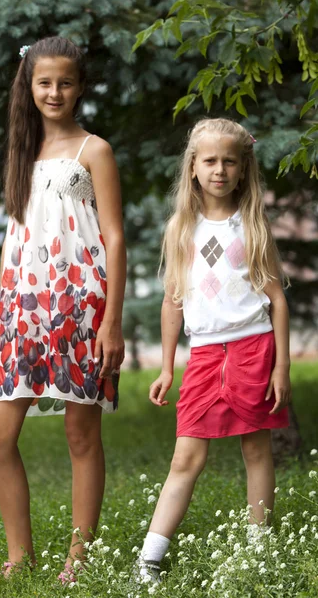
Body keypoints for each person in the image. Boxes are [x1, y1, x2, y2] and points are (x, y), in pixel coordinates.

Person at [0, 36, 126, 582]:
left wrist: (112, 320)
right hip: (22, 311)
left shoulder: (94, 151)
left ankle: (79, 560)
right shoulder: (20, 152)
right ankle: (21, 556)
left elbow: (113, 236)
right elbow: (14, 238)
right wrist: (4, 310)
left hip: (80, 308)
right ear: (30, 85)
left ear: (80, 86)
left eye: (65, 82)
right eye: (45, 82)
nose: (55, 91)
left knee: (81, 435)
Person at [137, 118, 291, 581]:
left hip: (254, 348)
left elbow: (277, 298)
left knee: (256, 450)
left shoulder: (252, 226)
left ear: (243, 169)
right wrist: (167, 367)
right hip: (204, 356)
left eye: (229, 161)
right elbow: (172, 301)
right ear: (193, 168)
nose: (219, 169)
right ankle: (149, 562)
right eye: (210, 161)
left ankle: (259, 553)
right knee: (186, 456)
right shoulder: (181, 229)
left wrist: (281, 366)